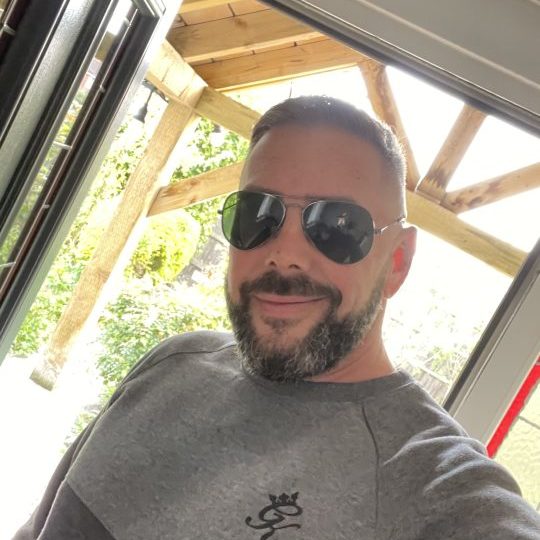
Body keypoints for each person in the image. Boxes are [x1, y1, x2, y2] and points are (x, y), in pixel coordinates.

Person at [14, 96, 540, 540]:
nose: (283, 255)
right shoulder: (173, 361)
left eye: (337, 225)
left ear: (397, 262)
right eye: (257, 214)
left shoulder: (430, 484)